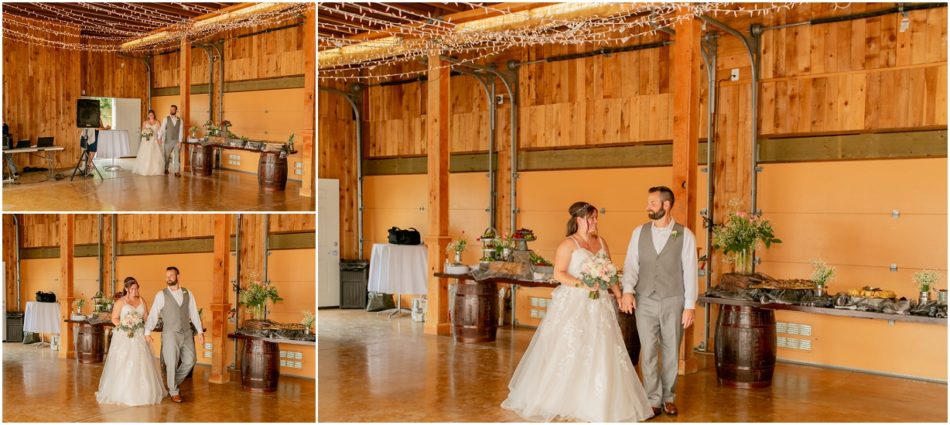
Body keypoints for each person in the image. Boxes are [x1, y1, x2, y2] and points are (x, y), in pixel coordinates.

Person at [502, 202, 653, 422]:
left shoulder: (601, 242)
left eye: (596, 218)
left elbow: (609, 272)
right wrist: (582, 285)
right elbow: (559, 273)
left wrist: (619, 295)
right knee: (571, 348)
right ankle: (564, 398)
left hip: (599, 305)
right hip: (574, 304)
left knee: (601, 349)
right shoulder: (568, 244)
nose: (595, 222)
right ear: (579, 219)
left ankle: (597, 401)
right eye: (591, 218)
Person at [619, 186, 698, 417]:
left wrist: (690, 305)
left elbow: (690, 272)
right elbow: (631, 265)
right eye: (648, 202)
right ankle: (652, 398)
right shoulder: (639, 232)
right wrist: (628, 291)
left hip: (674, 300)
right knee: (649, 351)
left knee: (672, 351)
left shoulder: (685, 235)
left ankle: (669, 398)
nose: (647, 207)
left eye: (652, 203)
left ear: (666, 205)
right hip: (645, 300)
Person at [96, 277, 166, 406]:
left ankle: (143, 393)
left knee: (141, 363)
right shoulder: (120, 302)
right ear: (127, 289)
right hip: (125, 337)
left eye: (136, 288)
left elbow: (146, 318)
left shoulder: (141, 300)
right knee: (125, 363)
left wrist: (147, 332)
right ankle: (122, 393)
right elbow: (114, 319)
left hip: (139, 336)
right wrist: (125, 326)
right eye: (132, 289)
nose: (135, 291)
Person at [144, 266, 204, 403]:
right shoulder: (161, 295)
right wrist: (147, 331)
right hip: (170, 333)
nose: (168, 278)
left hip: (187, 332)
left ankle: (173, 382)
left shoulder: (188, 293)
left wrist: (200, 331)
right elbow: (153, 314)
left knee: (190, 360)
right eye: (166, 276)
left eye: (171, 276)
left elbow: (194, 313)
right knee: (171, 363)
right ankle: (173, 391)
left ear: (178, 276)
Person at [132, 110, 165, 176]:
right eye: (150, 115)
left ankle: (155, 169)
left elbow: (160, 132)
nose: (151, 116)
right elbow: (142, 132)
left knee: (155, 155)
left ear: (154, 115)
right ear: (148, 116)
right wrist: (146, 134)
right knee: (146, 155)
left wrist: (160, 139)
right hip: (146, 140)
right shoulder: (145, 123)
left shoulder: (157, 122)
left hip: (155, 140)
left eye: (152, 115)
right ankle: (145, 169)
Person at [157, 105, 184, 177]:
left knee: (177, 155)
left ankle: (176, 171)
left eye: (173, 109)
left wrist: (180, 141)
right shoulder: (166, 118)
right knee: (166, 155)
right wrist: (159, 137)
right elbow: (162, 129)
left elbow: (181, 131)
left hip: (176, 141)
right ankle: (166, 168)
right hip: (168, 140)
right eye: (171, 109)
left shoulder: (180, 120)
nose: (171, 110)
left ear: (176, 111)